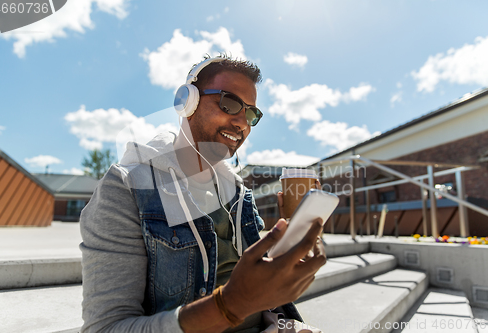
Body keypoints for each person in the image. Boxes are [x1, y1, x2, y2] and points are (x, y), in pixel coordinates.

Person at [79, 55, 326, 333]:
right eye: (230, 103)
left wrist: (288, 252)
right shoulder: (127, 188)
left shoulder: (239, 194)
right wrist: (230, 306)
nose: (242, 123)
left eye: (251, 114)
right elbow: (105, 328)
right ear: (187, 102)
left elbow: (252, 282)